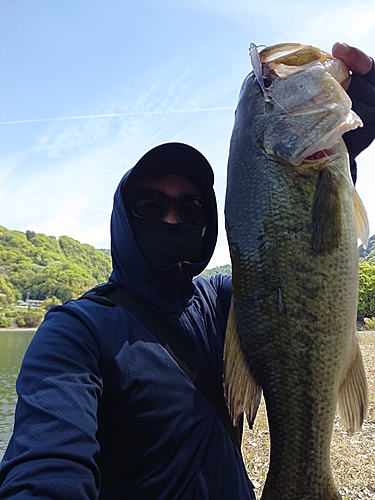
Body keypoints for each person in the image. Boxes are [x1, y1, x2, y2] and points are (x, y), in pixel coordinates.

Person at [0, 42, 374, 500]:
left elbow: (294, 266)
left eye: (191, 206)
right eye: (150, 205)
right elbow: (45, 465)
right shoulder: (76, 332)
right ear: (123, 216)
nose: (172, 218)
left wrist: (341, 160)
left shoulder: (222, 304)